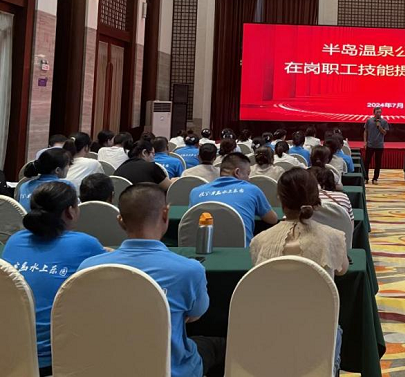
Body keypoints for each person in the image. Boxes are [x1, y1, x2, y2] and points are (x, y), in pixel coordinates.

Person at [78, 184, 225, 377]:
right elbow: (194, 316)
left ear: (120, 221)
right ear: (165, 214)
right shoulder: (190, 270)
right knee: (219, 344)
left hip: (107, 368)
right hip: (173, 370)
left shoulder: (88, 268)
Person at [250, 168, 347, 374]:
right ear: (316, 198)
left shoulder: (260, 241)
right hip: (320, 331)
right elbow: (342, 269)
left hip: (269, 329)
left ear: (280, 200)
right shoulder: (333, 237)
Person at [2, 182, 105, 374]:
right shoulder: (85, 244)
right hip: (54, 359)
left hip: (9, 352)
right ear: (70, 211)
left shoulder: (15, 240)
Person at [189, 153, 278, 244]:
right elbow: (272, 219)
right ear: (237, 172)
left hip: (202, 249)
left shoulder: (195, 192)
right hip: (243, 251)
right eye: (247, 174)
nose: (249, 179)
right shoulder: (252, 190)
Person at [364, 107, 389, 184]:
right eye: (377, 112)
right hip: (370, 144)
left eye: (380, 112)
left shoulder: (384, 121)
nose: (379, 114)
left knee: (378, 163)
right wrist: (365, 142)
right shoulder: (369, 121)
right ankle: (365, 178)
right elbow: (365, 131)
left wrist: (379, 126)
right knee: (367, 162)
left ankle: (375, 178)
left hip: (379, 145)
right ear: (374, 113)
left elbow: (384, 133)